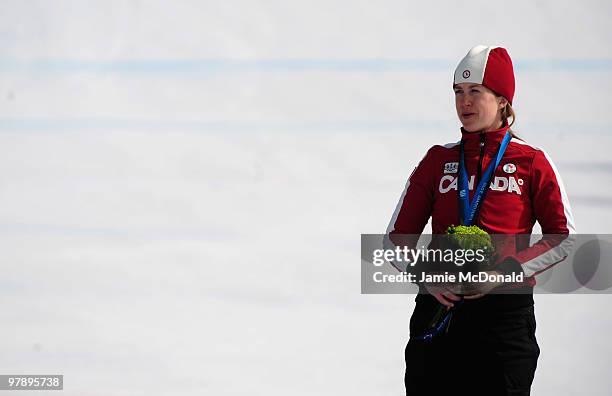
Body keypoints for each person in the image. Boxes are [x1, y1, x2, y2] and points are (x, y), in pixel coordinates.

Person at [386, 45, 575, 395]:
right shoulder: (437, 160)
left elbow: (562, 237)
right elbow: (395, 240)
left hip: (504, 319)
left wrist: (503, 274)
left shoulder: (531, 160)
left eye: (476, 92)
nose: (464, 102)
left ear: (502, 100)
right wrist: (426, 277)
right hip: (439, 312)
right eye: (458, 92)